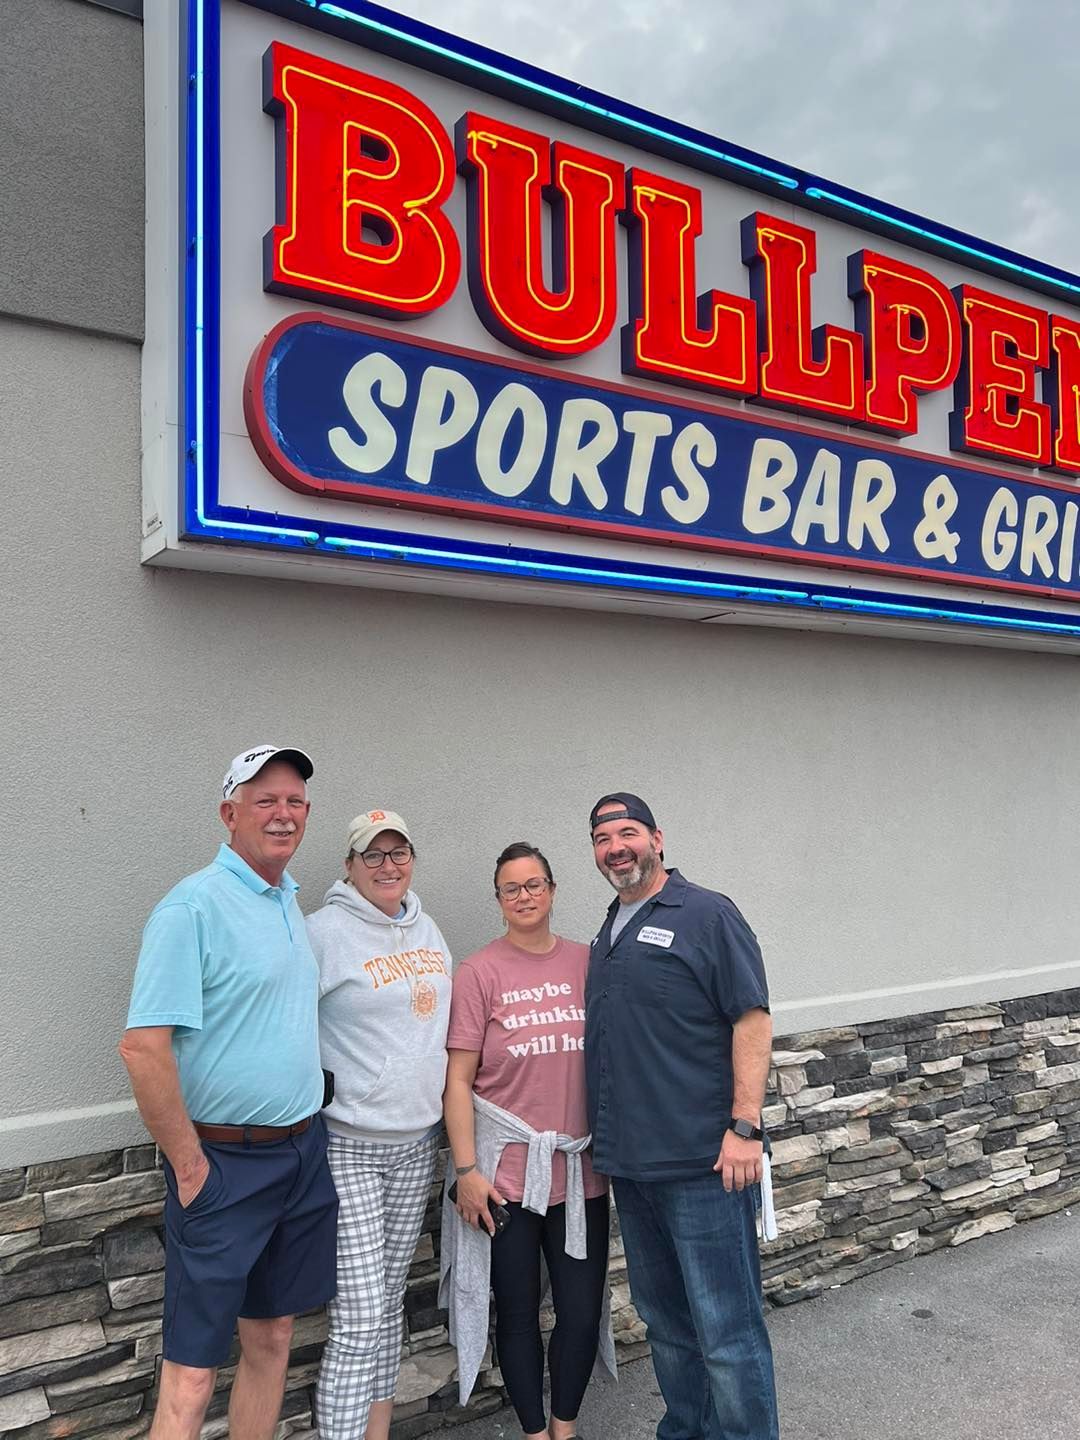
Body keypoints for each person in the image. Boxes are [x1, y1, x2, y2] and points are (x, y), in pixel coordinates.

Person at [119, 744, 338, 1440]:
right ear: (229, 813)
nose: (283, 814)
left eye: (294, 801)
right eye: (264, 800)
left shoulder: (285, 901)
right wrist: (189, 1168)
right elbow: (143, 1048)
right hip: (223, 1168)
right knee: (190, 1372)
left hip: (301, 1156)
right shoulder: (192, 909)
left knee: (271, 1339)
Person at [584, 793, 779, 1440]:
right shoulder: (607, 932)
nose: (617, 846)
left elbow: (751, 1019)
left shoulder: (706, 914)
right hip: (633, 1170)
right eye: (604, 837)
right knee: (666, 1327)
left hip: (705, 1165)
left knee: (726, 1330)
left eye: (628, 832)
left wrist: (745, 1127)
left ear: (657, 838)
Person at [440, 842, 615, 1440]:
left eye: (534, 884)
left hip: (579, 1172)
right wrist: (466, 1171)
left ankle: (565, 1429)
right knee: (516, 1316)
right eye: (512, 888)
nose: (525, 896)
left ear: (553, 890)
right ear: (499, 900)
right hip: (505, 1180)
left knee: (581, 1313)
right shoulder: (479, 973)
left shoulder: (588, 962)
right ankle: (534, 1433)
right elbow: (457, 1082)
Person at [308, 809, 452, 1440]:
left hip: (417, 1142)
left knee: (389, 1304)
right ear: (349, 866)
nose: (388, 866)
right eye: (373, 855)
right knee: (360, 1314)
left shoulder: (429, 928)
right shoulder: (321, 933)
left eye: (399, 853)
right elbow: (285, 1026)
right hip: (350, 1146)